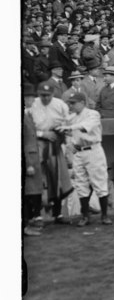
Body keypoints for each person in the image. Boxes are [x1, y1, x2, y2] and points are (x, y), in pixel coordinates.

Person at [55, 92, 112, 226]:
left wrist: (69, 127)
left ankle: (104, 215)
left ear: (82, 102)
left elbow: (84, 127)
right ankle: (85, 216)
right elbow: (69, 130)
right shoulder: (72, 117)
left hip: (93, 150)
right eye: (70, 103)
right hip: (79, 152)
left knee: (99, 182)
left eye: (74, 103)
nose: (71, 105)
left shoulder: (92, 114)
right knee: (81, 184)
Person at [29, 81, 72, 224]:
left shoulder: (60, 104)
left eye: (48, 95)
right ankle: (36, 214)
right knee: (37, 179)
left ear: (53, 94)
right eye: (42, 95)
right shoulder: (33, 104)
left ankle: (57, 213)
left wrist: (61, 132)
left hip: (55, 142)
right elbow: (27, 128)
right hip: (37, 143)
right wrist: (42, 133)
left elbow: (69, 123)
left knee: (57, 177)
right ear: (38, 94)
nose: (45, 98)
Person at [23, 83, 44, 236]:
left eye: (31, 97)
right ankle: (27, 224)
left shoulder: (29, 115)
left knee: (34, 190)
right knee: (28, 192)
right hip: (28, 158)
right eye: (28, 97)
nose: (31, 100)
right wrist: (28, 164)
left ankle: (31, 220)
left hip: (34, 156)